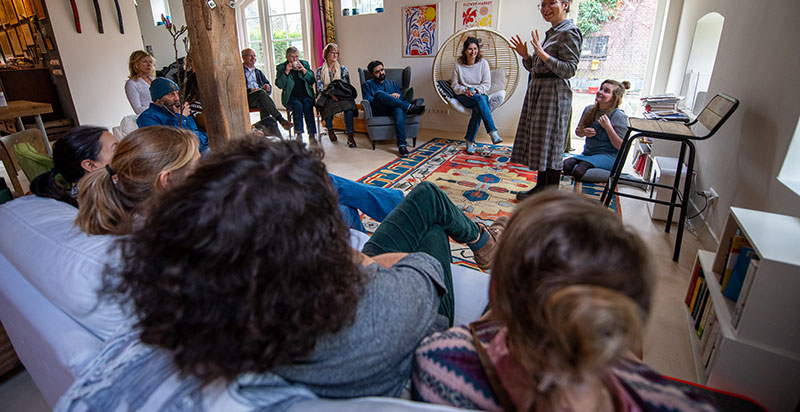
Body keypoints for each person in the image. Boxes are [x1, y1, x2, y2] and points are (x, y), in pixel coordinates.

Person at [56, 137, 507, 409]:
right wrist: (368, 263)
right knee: (427, 203)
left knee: (423, 199)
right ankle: (488, 243)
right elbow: (424, 269)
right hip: (411, 330)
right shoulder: (380, 312)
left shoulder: (214, 297)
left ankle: (485, 239)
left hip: (328, 293)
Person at [413, 192, 719, 412]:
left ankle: (494, 250)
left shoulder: (438, 363)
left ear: (499, 291)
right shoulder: (680, 402)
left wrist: (489, 319)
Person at [510, 0, 582, 199]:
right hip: (540, 93)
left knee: (551, 144)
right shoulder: (553, 33)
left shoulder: (569, 31)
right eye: (542, 4)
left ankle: (550, 194)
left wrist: (541, 53)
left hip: (554, 95)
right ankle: (541, 189)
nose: (545, 8)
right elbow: (538, 68)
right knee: (542, 142)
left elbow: (569, 69)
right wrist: (527, 56)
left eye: (552, 3)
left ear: (565, 5)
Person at [75, 126, 200, 237]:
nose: (203, 171)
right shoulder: (177, 237)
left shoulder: (121, 217)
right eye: (197, 166)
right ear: (166, 180)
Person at [29, 125, 117, 207]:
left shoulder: (82, 193)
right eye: (116, 148)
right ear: (90, 165)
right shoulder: (103, 203)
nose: (124, 151)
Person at [565, 80, 631, 181]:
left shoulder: (619, 116)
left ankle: (622, 178)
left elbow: (622, 147)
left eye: (606, 91)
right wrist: (583, 132)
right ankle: (589, 168)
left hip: (609, 156)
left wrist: (608, 127)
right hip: (588, 154)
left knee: (579, 172)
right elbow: (578, 132)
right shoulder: (589, 109)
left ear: (614, 98)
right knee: (565, 166)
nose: (600, 92)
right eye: (601, 89)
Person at [362, 60, 426, 157]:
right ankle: (410, 107)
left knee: (399, 109)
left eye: (382, 70)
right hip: (379, 110)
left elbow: (400, 97)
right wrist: (388, 96)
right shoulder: (367, 84)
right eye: (377, 72)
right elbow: (367, 99)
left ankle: (402, 145)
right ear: (372, 74)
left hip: (393, 109)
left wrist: (397, 95)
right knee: (379, 94)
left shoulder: (392, 83)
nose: (381, 73)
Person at [450, 37, 502, 155]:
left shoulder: (483, 64)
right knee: (481, 100)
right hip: (463, 95)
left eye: (475, 48)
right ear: (464, 51)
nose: (473, 52)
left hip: (478, 94)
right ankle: (492, 132)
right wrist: (466, 90)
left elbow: (486, 84)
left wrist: (476, 90)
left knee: (479, 103)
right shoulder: (458, 65)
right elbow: (455, 85)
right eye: (469, 49)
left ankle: (469, 142)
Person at [136, 77, 209, 153]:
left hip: (202, 149)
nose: (177, 98)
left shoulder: (177, 109)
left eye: (177, 93)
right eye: (171, 94)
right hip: (184, 157)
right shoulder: (147, 117)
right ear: (158, 99)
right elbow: (172, 143)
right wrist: (181, 117)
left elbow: (195, 133)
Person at [315, 43, 358, 148]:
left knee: (349, 109)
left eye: (336, 53)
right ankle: (330, 130)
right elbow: (320, 87)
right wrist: (330, 94)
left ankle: (350, 135)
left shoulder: (343, 69)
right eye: (332, 52)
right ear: (326, 54)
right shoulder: (320, 70)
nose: (335, 55)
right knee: (327, 108)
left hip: (342, 96)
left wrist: (338, 95)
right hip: (327, 95)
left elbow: (346, 86)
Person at [242, 48, 293, 131]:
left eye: (254, 55)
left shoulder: (258, 72)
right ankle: (281, 120)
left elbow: (268, 85)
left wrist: (268, 87)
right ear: (243, 57)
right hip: (247, 98)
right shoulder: (240, 71)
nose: (253, 58)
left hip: (258, 97)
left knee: (262, 102)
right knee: (260, 93)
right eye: (250, 56)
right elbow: (237, 90)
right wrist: (251, 90)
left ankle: (267, 131)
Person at [276, 47, 318, 144]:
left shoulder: (304, 64)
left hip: (306, 95)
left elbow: (312, 80)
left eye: (297, 57)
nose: (295, 60)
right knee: (297, 106)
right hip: (291, 97)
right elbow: (279, 84)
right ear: (287, 57)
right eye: (292, 57)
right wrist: (286, 72)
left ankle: (312, 135)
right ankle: (299, 134)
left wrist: (304, 71)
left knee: (308, 105)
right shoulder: (281, 67)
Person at [124, 51, 156, 115]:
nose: (149, 64)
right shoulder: (132, 83)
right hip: (150, 117)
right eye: (145, 62)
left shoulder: (154, 80)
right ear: (136, 64)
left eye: (150, 62)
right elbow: (138, 109)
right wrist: (157, 107)